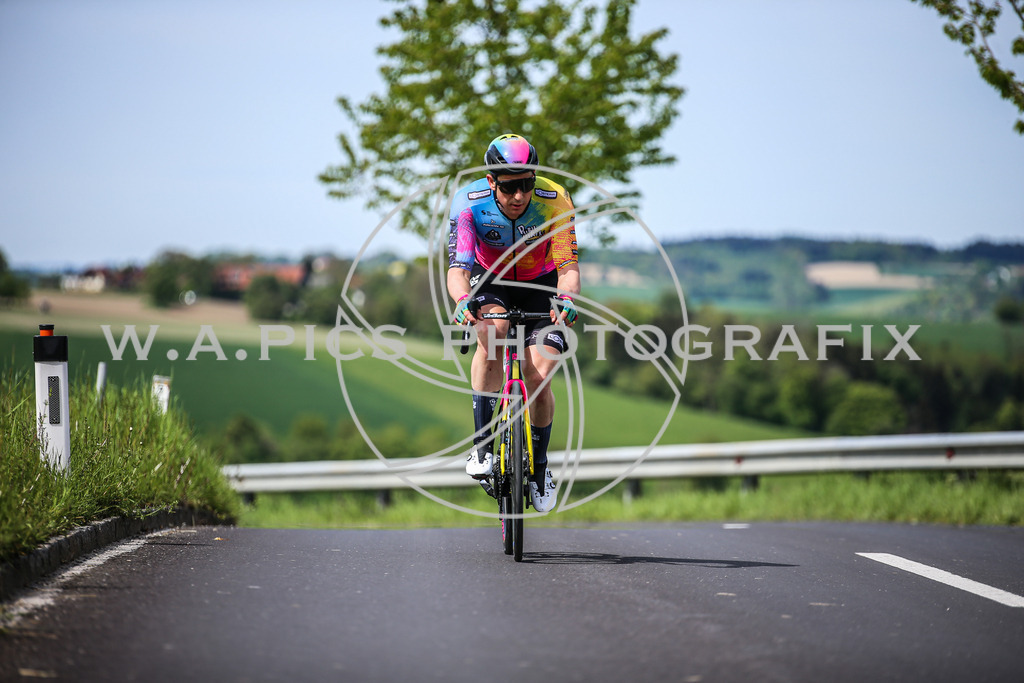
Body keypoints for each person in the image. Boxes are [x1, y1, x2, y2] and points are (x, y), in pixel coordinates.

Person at [447, 133, 580, 514]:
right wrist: (461, 301)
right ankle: (482, 446)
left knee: (540, 373)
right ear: (491, 182)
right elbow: (459, 268)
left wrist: (568, 299)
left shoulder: (555, 202)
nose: (519, 196)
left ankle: (539, 469)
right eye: (509, 187)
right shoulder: (469, 203)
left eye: (526, 185)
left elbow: (569, 270)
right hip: (492, 282)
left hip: (543, 285)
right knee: (492, 333)